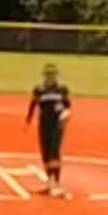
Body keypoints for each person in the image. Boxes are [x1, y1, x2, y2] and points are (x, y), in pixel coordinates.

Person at [23, 63, 72, 198]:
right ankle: (49, 182)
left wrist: (66, 114)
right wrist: (28, 120)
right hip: (44, 124)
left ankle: (56, 183)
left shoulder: (62, 90)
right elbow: (33, 105)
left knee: (54, 150)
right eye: (48, 75)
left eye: (52, 75)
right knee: (45, 152)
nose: (50, 78)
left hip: (57, 124)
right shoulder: (39, 90)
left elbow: (68, 106)